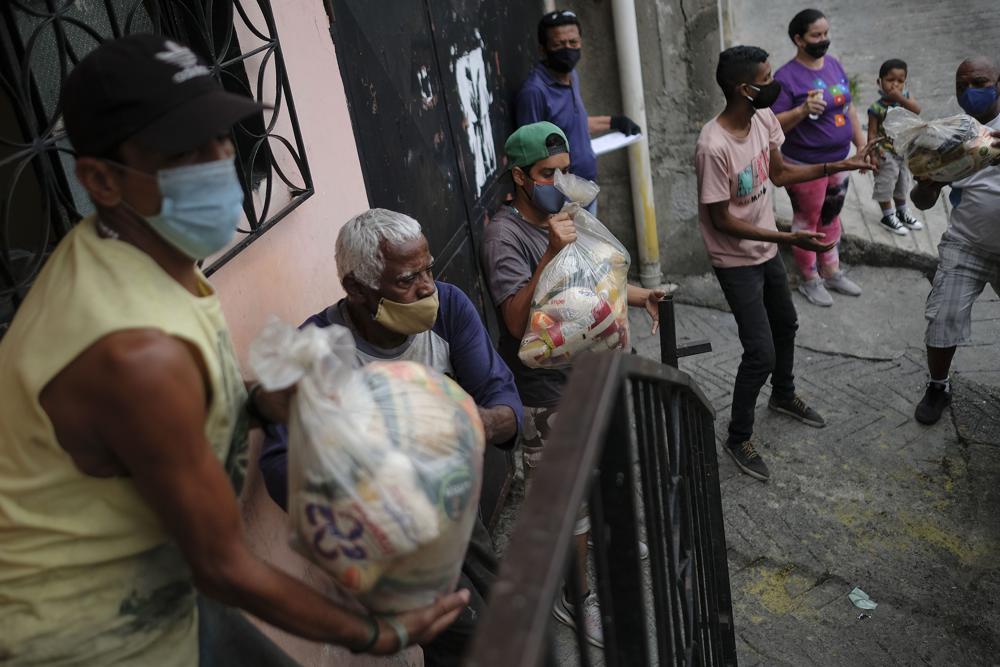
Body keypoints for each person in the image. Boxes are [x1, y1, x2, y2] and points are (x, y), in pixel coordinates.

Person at [0, 34, 466, 666]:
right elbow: (224, 564)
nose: (221, 162)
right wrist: (384, 635)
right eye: (185, 152)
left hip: (165, 593)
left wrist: (260, 406)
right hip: (94, 637)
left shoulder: (145, 256)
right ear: (101, 180)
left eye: (221, 138)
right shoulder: (131, 350)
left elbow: (153, 436)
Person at [258, 208, 523, 666]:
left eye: (428, 270)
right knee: (468, 633)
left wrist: (472, 421)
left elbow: (503, 400)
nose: (426, 288)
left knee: (496, 614)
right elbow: (282, 466)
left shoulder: (450, 308)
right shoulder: (317, 349)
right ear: (357, 289)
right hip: (380, 544)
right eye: (406, 280)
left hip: (453, 512)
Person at [480, 120, 665, 648]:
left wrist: (637, 295)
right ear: (518, 177)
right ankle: (574, 597)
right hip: (547, 396)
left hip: (592, 376)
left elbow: (592, 284)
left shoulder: (566, 215)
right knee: (569, 507)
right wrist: (547, 254)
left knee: (603, 472)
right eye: (546, 174)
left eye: (564, 171)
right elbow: (517, 323)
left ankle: (614, 539)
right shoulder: (505, 236)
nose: (558, 182)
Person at [696, 46, 874, 481]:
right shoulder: (712, 146)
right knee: (759, 352)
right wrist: (787, 237)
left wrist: (838, 164)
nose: (775, 83)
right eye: (767, 76)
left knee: (787, 326)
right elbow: (723, 220)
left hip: (768, 248)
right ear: (744, 88)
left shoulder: (761, 118)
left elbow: (779, 174)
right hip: (735, 259)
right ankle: (738, 437)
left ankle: (784, 394)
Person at [910, 56, 1000, 425]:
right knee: (942, 318)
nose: (969, 92)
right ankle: (938, 386)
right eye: (961, 86)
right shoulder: (951, 134)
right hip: (967, 243)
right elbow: (921, 200)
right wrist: (929, 185)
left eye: (978, 82)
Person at [771, 8, 869, 306]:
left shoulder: (834, 65)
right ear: (799, 39)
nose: (823, 40)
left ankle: (831, 270)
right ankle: (809, 278)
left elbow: (849, 109)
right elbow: (773, 126)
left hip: (840, 161)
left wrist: (861, 145)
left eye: (826, 34)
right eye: (817, 35)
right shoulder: (786, 78)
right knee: (807, 222)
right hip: (804, 165)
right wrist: (802, 111)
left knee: (831, 217)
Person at [514, 9, 640, 209]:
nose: (567, 49)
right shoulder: (534, 92)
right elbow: (529, 153)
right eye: (558, 44)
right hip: (562, 200)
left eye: (573, 42)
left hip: (586, 189)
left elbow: (571, 123)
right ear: (543, 49)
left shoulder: (572, 76)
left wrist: (614, 122)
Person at [867, 58, 924, 236]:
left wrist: (900, 98)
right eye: (890, 80)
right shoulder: (876, 107)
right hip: (885, 153)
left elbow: (916, 110)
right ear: (880, 82)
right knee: (885, 183)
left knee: (902, 182)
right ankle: (887, 215)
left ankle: (902, 211)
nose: (895, 85)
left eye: (900, 81)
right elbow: (872, 132)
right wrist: (872, 155)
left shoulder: (905, 98)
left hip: (903, 151)